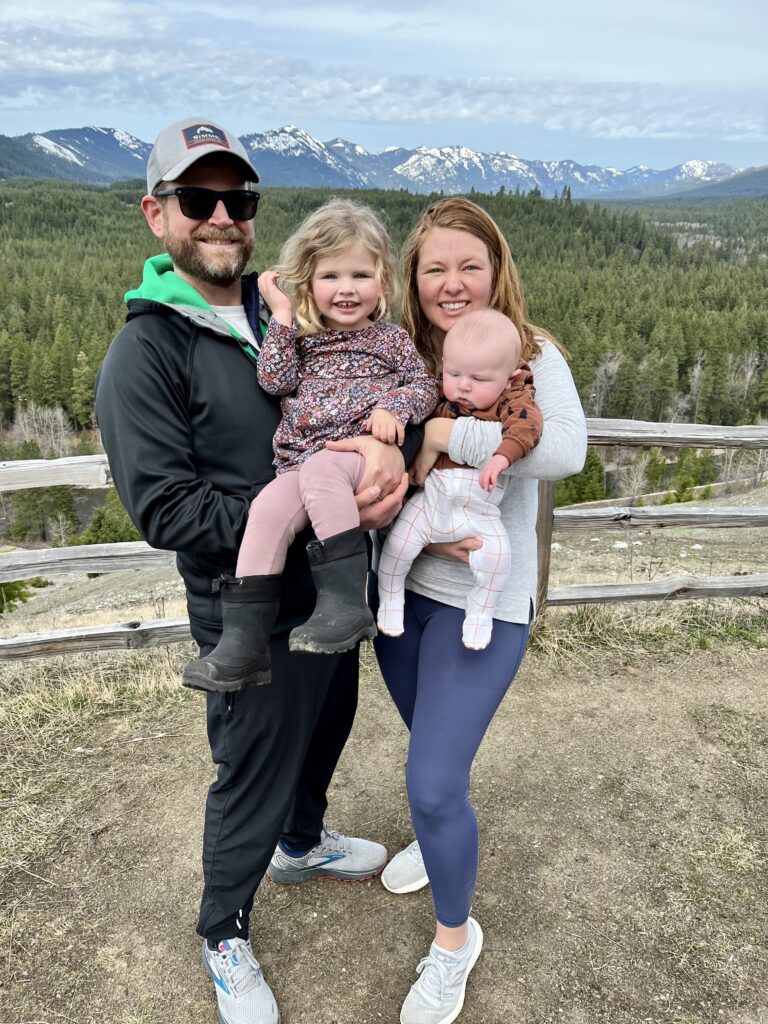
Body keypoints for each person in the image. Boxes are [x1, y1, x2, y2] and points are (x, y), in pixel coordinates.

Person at [94, 117, 418, 1024]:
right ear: (157, 215)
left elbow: (372, 402)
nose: (224, 216)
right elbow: (168, 511)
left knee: (328, 726)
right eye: (201, 200)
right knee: (250, 767)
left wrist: (390, 457)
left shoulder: (297, 317)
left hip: (333, 595)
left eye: (239, 200)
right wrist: (328, 515)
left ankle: (303, 842)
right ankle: (223, 931)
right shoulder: (149, 350)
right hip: (249, 608)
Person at [367, 197, 588, 1024]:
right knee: (431, 753)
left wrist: (436, 437)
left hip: (485, 606)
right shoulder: (401, 354)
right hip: (403, 590)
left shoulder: (532, 353)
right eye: (434, 268)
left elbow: (564, 449)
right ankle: (438, 840)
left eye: (470, 264)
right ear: (413, 281)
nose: (452, 283)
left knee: (429, 781)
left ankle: (455, 943)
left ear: (497, 268)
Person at [183, 199, 438, 692]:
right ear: (309, 283)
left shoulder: (391, 340)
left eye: (360, 276)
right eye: (330, 277)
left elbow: (423, 386)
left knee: (323, 469)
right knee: (268, 509)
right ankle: (244, 642)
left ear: (381, 281)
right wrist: (280, 317)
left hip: (353, 457)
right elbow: (274, 380)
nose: (346, 289)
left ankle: (345, 605)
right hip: (298, 464)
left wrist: (394, 411)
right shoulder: (301, 338)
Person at [377, 307, 543, 650]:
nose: (463, 387)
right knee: (397, 548)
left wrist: (501, 455)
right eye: (454, 374)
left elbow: (527, 425)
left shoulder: (512, 398)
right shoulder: (440, 391)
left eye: (479, 380)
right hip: (430, 501)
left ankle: (480, 612)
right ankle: (390, 598)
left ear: (509, 377)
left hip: (479, 512)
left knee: (498, 559)